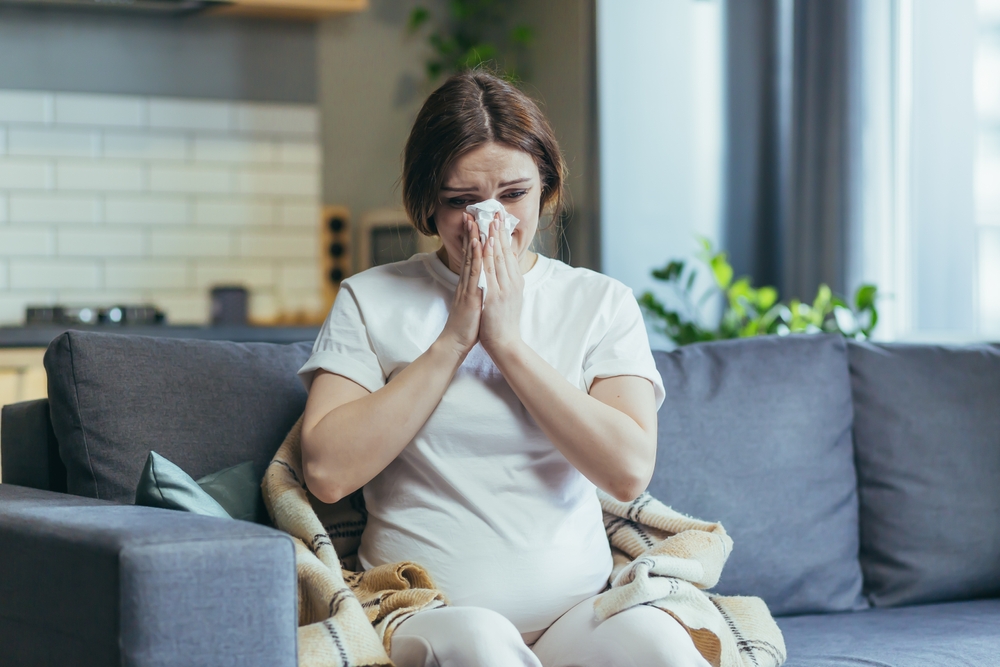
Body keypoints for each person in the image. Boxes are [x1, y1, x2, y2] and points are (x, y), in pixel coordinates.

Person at [297, 70, 711, 667]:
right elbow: (328, 473)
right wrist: (455, 339)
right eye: (461, 202)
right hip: (431, 613)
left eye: (513, 195)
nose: (488, 222)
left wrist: (509, 344)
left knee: (662, 650)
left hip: (577, 612)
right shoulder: (371, 298)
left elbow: (626, 472)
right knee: (483, 648)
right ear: (426, 205)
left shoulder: (600, 302)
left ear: (546, 189)